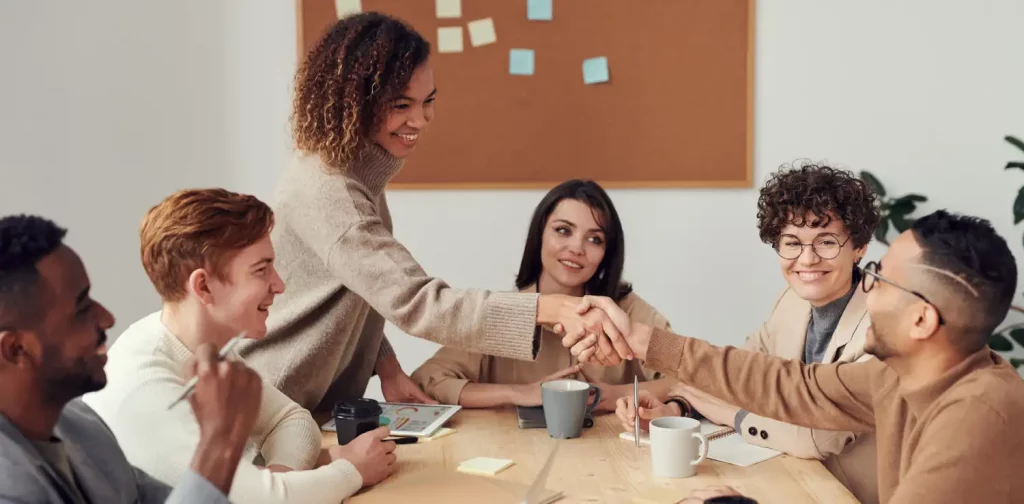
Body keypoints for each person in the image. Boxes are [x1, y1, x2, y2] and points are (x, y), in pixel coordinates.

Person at [236, 12, 627, 413]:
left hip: (308, 406)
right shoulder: (333, 192)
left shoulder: (353, 174)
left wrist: (386, 366)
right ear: (357, 101)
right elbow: (417, 301)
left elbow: (361, 288)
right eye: (401, 104)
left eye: (428, 102)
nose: (420, 120)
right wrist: (546, 307)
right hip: (272, 407)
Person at [569, 210, 1024, 504]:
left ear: (923, 321)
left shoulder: (979, 415)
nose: (867, 287)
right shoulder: (898, 376)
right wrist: (645, 341)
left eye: (881, 279)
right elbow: (792, 385)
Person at [82, 189, 397, 503]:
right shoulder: (147, 388)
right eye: (261, 270)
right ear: (203, 286)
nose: (279, 284)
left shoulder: (204, 346)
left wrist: (278, 481)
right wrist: (350, 470)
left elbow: (292, 421)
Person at [615, 164, 881, 503]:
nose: (807, 258)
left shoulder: (880, 327)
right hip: (791, 481)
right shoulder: (790, 302)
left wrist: (727, 413)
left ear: (859, 247)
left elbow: (814, 437)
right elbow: (739, 374)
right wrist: (679, 408)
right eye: (792, 243)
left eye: (826, 242)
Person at [0, 214, 262, 503]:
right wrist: (219, 443)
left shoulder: (81, 426)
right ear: (16, 349)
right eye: (82, 308)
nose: (107, 318)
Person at [411, 180, 675, 410]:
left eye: (595, 239)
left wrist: (612, 395)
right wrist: (520, 393)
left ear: (607, 253)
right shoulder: (503, 313)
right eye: (563, 230)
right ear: (539, 235)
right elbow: (427, 380)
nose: (576, 248)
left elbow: (691, 377)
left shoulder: (629, 311)